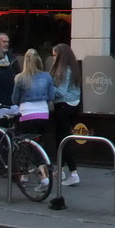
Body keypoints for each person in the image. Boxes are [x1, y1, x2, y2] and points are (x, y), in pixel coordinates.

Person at [11, 49, 55, 192]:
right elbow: (51, 96)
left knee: (27, 147)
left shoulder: (20, 78)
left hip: (27, 115)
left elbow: (15, 99)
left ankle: (41, 178)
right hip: (43, 114)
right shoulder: (47, 77)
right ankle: (38, 173)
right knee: (39, 145)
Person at [49, 43, 82, 187]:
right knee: (62, 137)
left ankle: (73, 172)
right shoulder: (74, 68)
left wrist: (50, 88)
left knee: (63, 139)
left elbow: (60, 92)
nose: (53, 58)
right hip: (74, 104)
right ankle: (60, 169)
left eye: (55, 55)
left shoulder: (63, 70)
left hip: (63, 104)